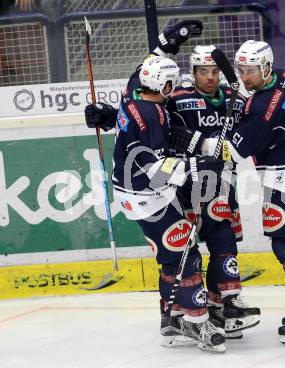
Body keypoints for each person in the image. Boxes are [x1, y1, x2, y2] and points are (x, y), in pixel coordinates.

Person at [85, 22, 232, 353]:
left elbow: (145, 69)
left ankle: (171, 318)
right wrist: (196, 166)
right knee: (185, 255)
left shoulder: (132, 95)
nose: (174, 87)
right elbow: (154, 170)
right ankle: (196, 320)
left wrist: (170, 42)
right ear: (163, 84)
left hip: (132, 193)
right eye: (171, 82)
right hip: (147, 195)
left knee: (171, 257)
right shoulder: (155, 115)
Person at [171, 40, 285, 345]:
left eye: (251, 70)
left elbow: (231, 150)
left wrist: (191, 140)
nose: (244, 77)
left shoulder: (263, 108)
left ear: (266, 66)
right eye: (241, 70)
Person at [166, 44, 260, 339]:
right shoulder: (179, 99)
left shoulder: (230, 98)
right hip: (188, 185)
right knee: (186, 251)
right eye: (203, 72)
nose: (209, 77)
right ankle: (180, 308)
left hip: (223, 183)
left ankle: (224, 305)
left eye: (214, 71)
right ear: (192, 72)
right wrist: (200, 144)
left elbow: (249, 127)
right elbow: (164, 132)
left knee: (224, 243)